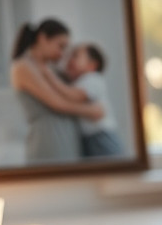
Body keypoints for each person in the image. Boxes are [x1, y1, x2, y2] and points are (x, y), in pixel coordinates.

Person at [10, 19, 104, 163]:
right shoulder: (23, 67)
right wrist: (91, 111)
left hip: (69, 144)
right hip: (48, 144)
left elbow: (75, 91)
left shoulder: (52, 69)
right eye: (60, 46)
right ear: (42, 38)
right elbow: (57, 103)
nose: (62, 54)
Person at [64, 42, 123, 158]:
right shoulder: (79, 82)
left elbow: (73, 95)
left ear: (92, 65)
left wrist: (49, 79)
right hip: (90, 138)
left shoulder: (92, 79)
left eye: (75, 55)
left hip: (101, 137)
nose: (69, 60)